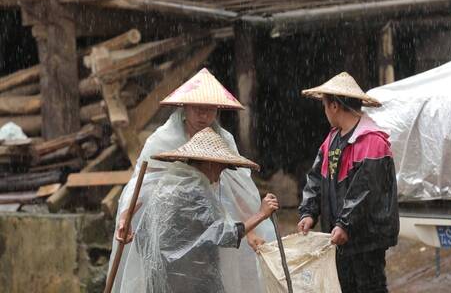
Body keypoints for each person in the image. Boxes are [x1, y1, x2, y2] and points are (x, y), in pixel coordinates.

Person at [108, 68, 275, 292]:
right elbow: (142, 186)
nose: (203, 116)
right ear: (184, 107)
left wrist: (252, 232)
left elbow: (238, 190)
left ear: (217, 110)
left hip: (208, 234)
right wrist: (125, 219)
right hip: (173, 230)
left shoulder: (224, 141)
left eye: (209, 110)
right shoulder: (163, 141)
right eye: (197, 109)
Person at [120, 127, 279, 293]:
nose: (220, 175)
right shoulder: (195, 192)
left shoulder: (169, 185)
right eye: (221, 168)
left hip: (162, 278)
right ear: (211, 164)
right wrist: (261, 214)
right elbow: (225, 235)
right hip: (189, 281)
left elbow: (143, 239)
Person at [297, 72, 399, 293]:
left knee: (370, 288)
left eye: (325, 105)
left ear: (334, 106)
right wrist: (309, 212)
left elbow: (366, 192)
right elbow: (316, 177)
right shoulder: (332, 139)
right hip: (338, 238)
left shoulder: (372, 141)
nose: (324, 111)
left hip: (366, 239)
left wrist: (345, 224)